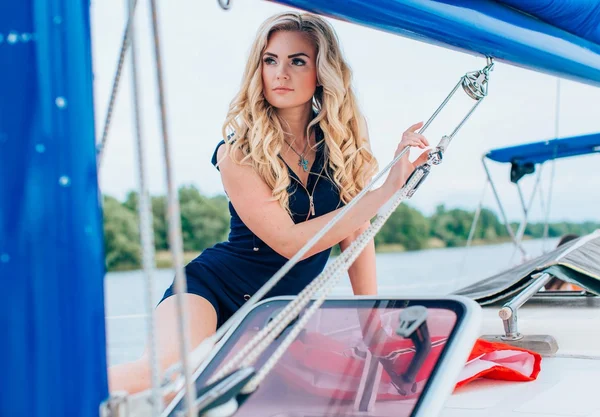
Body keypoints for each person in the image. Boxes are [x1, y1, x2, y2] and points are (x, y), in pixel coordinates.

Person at [108, 11, 430, 394]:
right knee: (167, 376)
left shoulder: (341, 149)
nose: (281, 73)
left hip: (277, 313)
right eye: (270, 60)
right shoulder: (237, 152)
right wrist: (385, 190)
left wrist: (372, 326)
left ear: (321, 72)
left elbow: (356, 235)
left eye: (298, 61)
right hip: (211, 289)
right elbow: (290, 243)